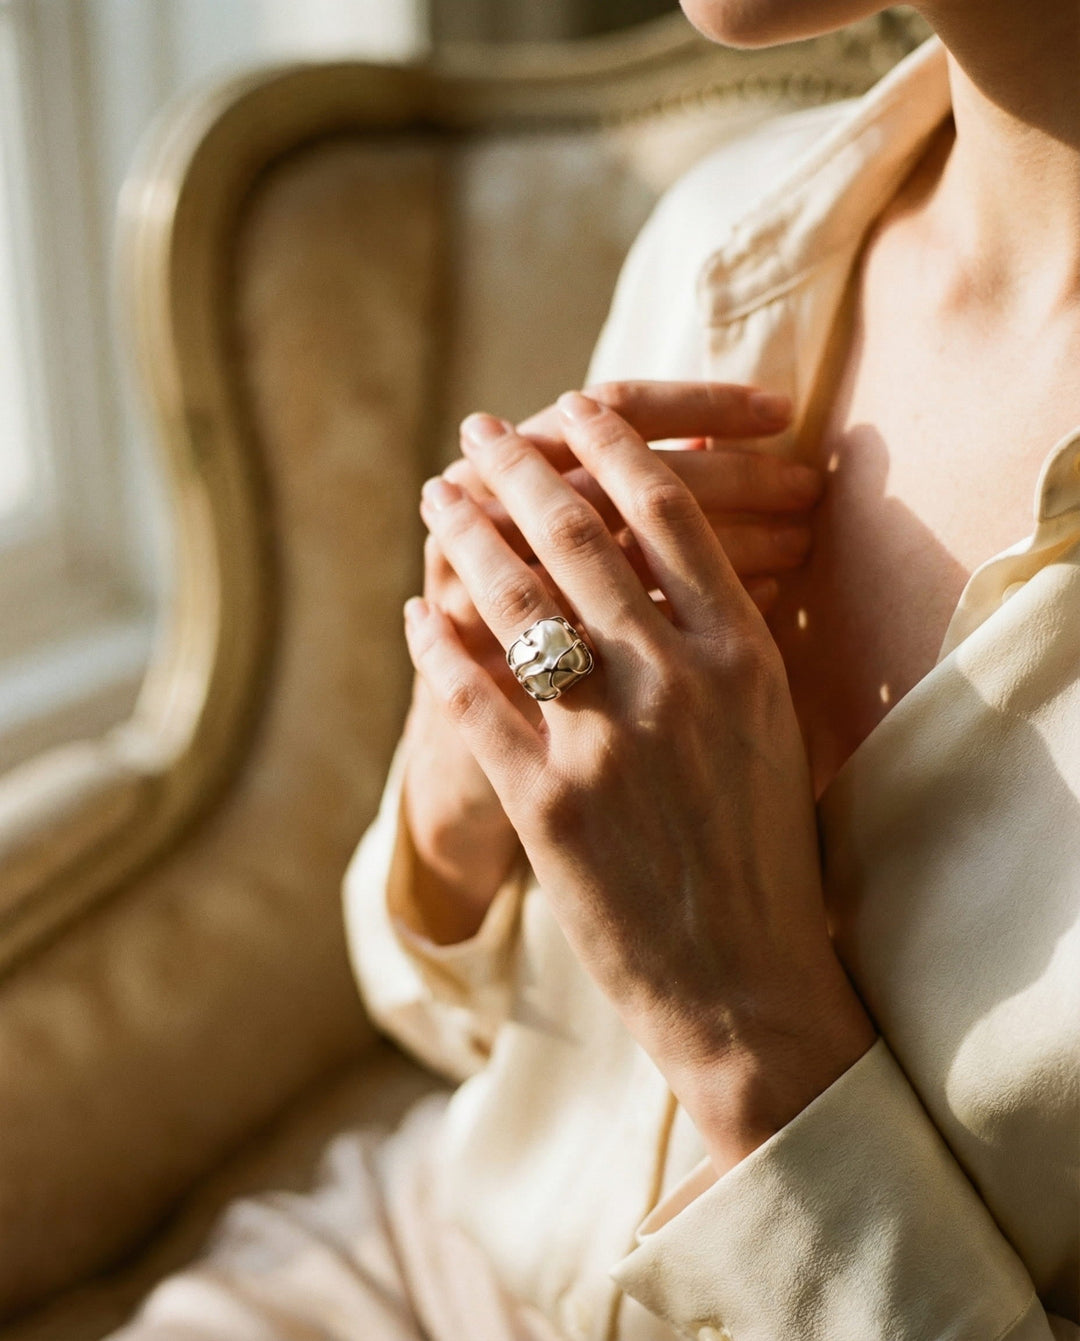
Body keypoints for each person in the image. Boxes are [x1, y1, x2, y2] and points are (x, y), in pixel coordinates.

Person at [114, 0, 1079, 1337]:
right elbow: (452, 1028)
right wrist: (466, 790)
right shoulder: (724, 232)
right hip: (407, 1271)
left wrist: (748, 1025)